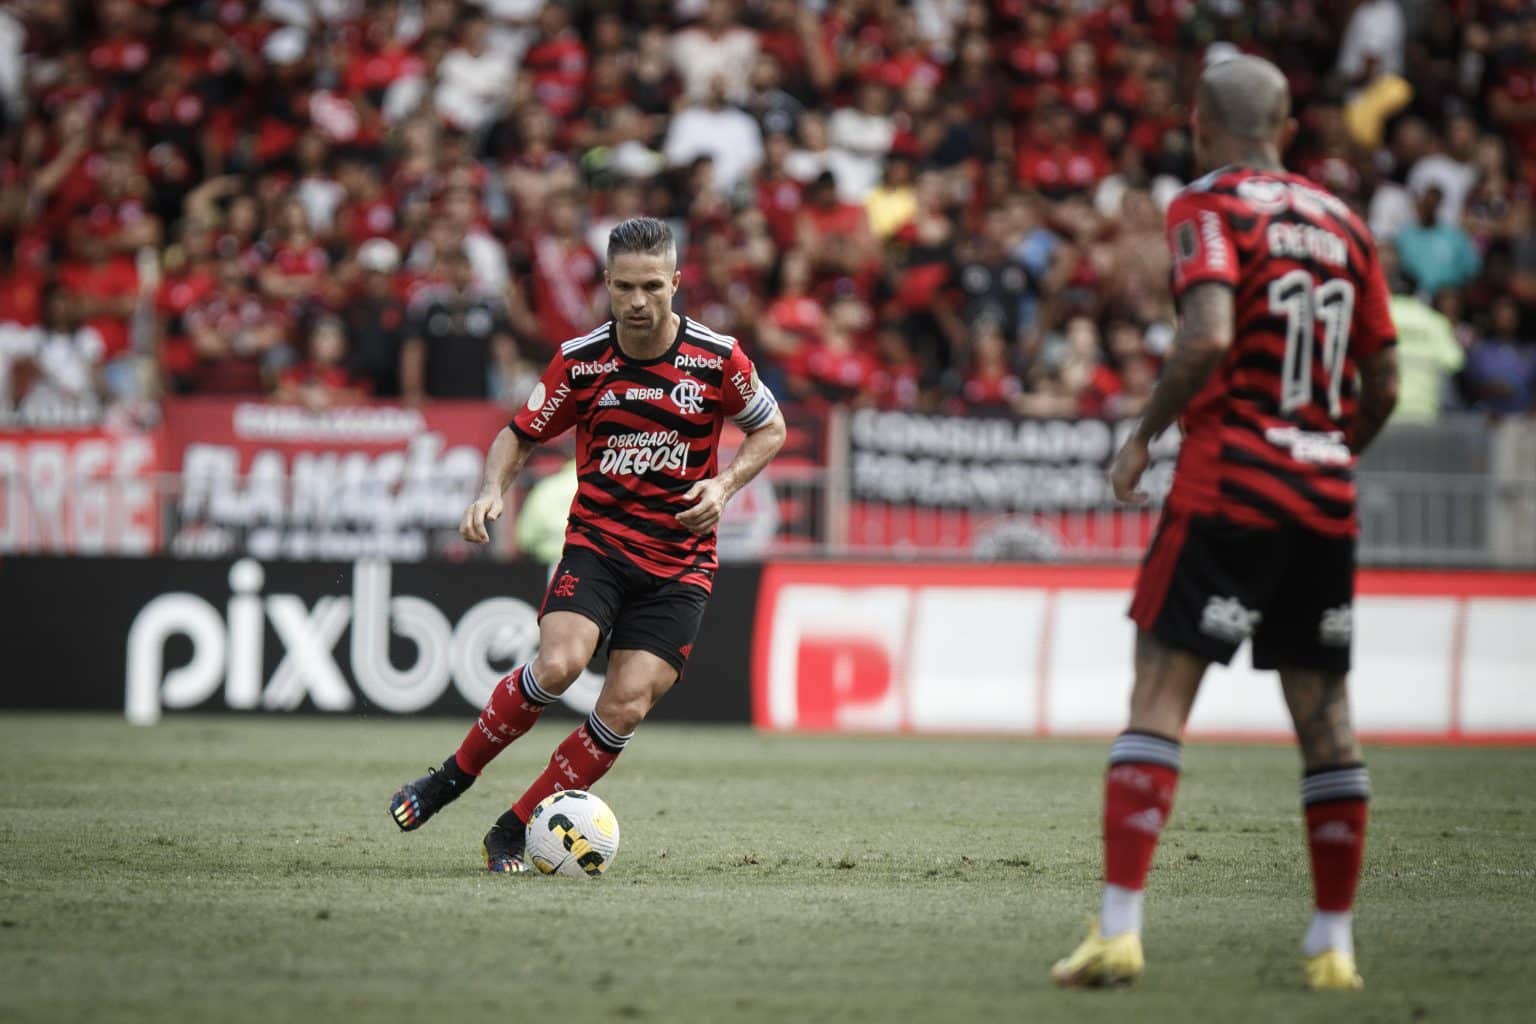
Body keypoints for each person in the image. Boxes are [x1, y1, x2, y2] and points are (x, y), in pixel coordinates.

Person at [1054, 57, 1400, 992]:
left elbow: (1206, 333)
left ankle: (1119, 929)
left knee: (1159, 700)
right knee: (1327, 720)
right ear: (1287, 124)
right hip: (1324, 500)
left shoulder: (1209, 205)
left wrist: (1142, 437)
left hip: (1228, 490)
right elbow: (1387, 384)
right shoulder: (1348, 224)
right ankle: (1334, 945)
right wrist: (1325, 448)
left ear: (1200, 124)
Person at [387, 218, 786, 873]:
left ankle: (511, 831)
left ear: (677, 283)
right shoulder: (582, 360)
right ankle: (450, 779)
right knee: (559, 665)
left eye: (652, 286)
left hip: (682, 563)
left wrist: (726, 484)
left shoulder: (717, 358)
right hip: (598, 546)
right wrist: (491, 490)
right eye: (624, 286)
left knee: (624, 706)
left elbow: (769, 428)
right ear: (606, 283)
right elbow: (518, 433)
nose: (638, 301)